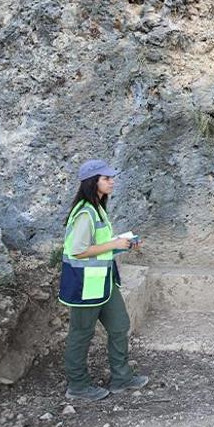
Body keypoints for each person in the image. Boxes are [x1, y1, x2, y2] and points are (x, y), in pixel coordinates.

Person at [59, 159, 149, 400]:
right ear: (93, 182)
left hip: (103, 283)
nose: (112, 181)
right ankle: (77, 384)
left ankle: (121, 377)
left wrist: (123, 243)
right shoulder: (84, 212)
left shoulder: (97, 207)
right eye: (106, 178)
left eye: (111, 178)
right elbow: (78, 250)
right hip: (84, 285)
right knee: (81, 333)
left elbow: (98, 246)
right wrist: (114, 244)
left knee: (119, 326)